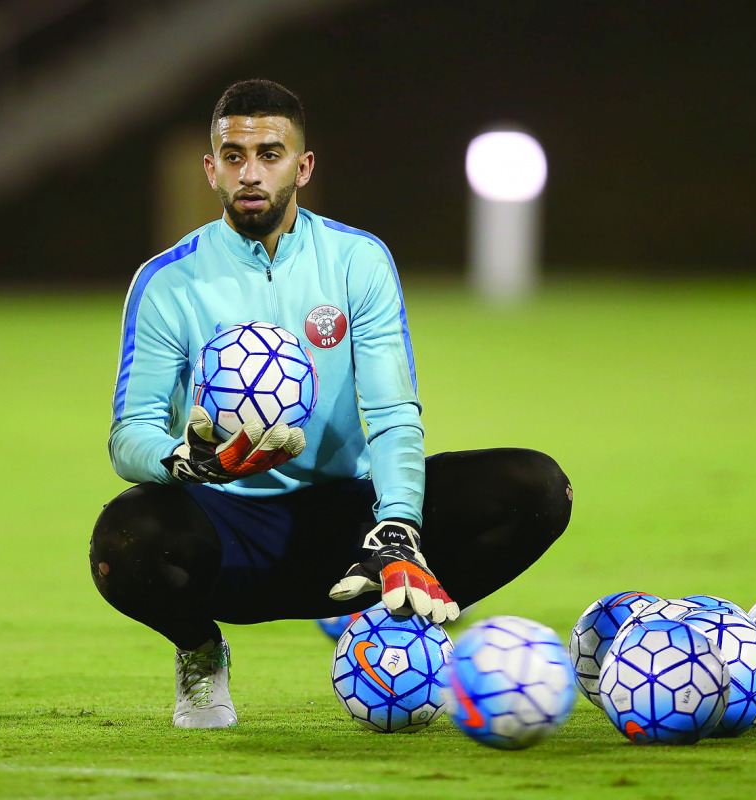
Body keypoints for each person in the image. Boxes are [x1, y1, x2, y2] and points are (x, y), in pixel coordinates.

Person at [90, 79, 573, 728]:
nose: (251, 172)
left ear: (303, 165)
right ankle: (200, 651)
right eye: (233, 157)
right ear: (211, 170)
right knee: (124, 541)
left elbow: (395, 411)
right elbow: (130, 435)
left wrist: (397, 523)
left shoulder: (357, 261)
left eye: (270, 152)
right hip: (231, 529)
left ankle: (391, 621)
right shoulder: (167, 280)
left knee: (536, 487)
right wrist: (186, 462)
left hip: (349, 523)